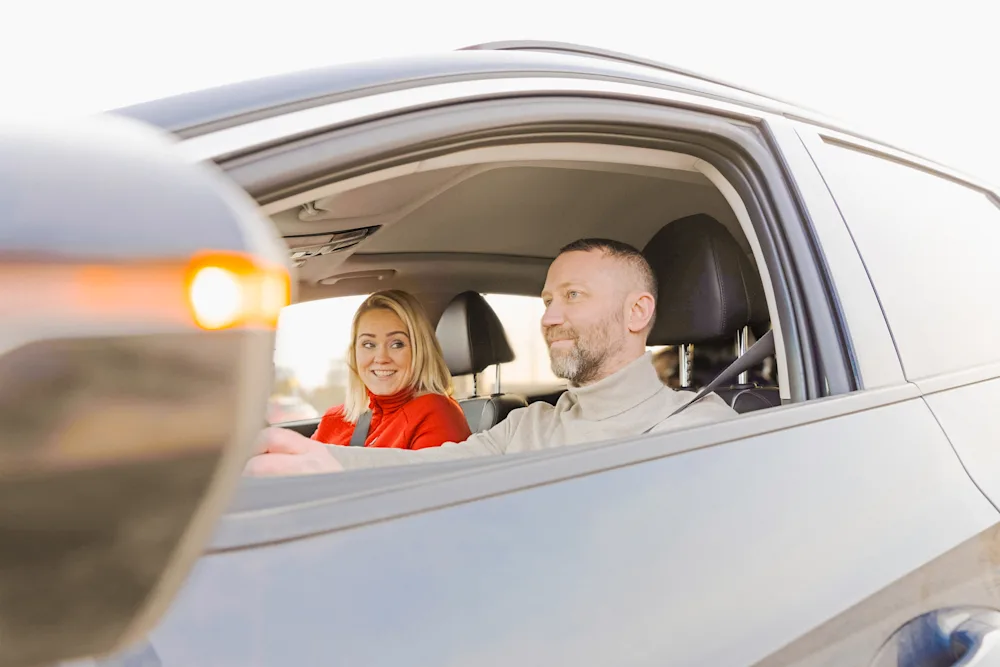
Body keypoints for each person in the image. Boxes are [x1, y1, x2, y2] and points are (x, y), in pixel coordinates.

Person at [244, 239, 738, 476]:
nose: (549, 318)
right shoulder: (529, 426)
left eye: (573, 296)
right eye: (548, 300)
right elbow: (433, 467)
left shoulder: (698, 432)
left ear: (637, 312)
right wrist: (320, 461)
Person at [300, 289, 471, 453]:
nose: (381, 358)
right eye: (369, 344)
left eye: (397, 344)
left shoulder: (436, 413)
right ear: (354, 353)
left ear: (420, 350)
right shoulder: (335, 419)